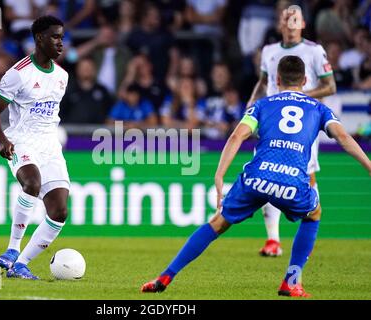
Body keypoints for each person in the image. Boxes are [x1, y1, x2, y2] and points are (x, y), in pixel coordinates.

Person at [141, 55, 371, 297]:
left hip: (257, 177)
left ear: (278, 79)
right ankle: (291, 281)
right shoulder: (320, 108)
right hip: (291, 181)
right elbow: (344, 139)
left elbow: (236, 137)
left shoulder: (262, 105)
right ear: (305, 80)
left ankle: (166, 275)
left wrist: (220, 175)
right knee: (313, 214)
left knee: (217, 222)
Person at [247, 5, 336, 257]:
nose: (290, 23)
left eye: (295, 19)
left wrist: (298, 97)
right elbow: (263, 82)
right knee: (266, 174)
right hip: (271, 122)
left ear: (303, 24)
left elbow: (330, 86)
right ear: (280, 24)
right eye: (286, 19)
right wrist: (251, 104)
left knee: (307, 176)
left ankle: (311, 224)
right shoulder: (269, 51)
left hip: (302, 125)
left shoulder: (314, 51)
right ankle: (273, 240)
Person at [0, 15, 70, 280]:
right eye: (55, 37)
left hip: (50, 146)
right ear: (39, 38)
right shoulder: (18, 73)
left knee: (59, 211)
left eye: (62, 37)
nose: (60, 42)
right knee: (31, 183)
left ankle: (20, 264)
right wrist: (2, 139)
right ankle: (12, 249)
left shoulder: (62, 76)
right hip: (21, 140)